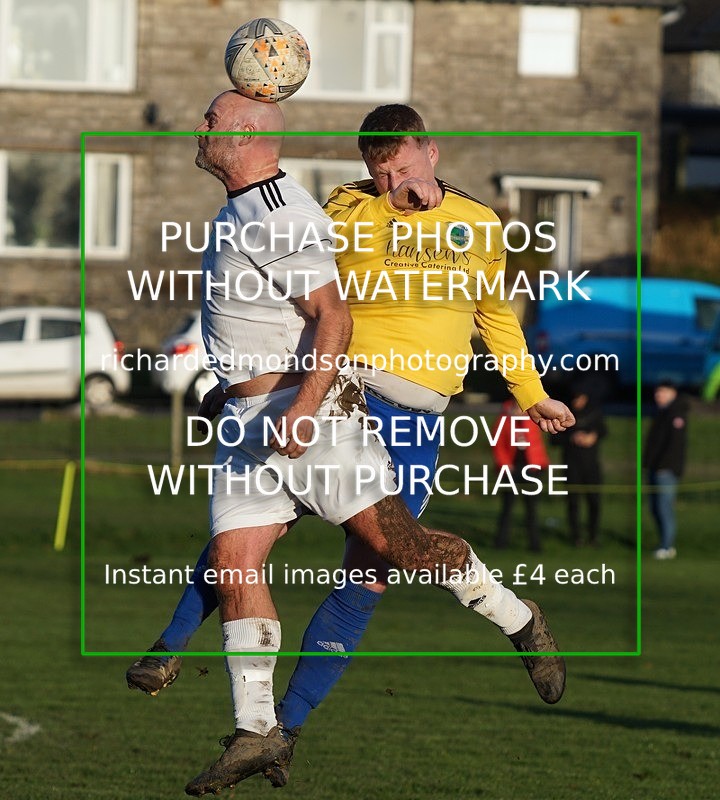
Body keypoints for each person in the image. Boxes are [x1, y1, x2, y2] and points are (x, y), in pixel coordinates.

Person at [129, 97, 574, 795]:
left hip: (417, 420)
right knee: (242, 540)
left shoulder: (479, 226)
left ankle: (295, 722)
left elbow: (496, 319)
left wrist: (529, 393)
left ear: (433, 154)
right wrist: (248, 381)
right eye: (380, 171)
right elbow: (294, 296)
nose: (395, 182)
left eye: (402, 166)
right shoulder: (342, 211)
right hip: (342, 397)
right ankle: (179, 656)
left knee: (375, 571)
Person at [492, 399, 549, 552]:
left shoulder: (532, 418)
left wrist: (538, 465)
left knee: (532, 509)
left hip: (531, 468)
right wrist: (505, 465)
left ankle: (535, 545)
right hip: (511, 468)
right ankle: (501, 543)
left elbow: (537, 444)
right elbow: (497, 444)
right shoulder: (504, 419)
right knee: (507, 507)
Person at [556, 385, 607, 546]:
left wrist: (593, 436)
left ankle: (593, 536)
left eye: (581, 398)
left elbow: (604, 431)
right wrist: (572, 438)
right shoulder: (563, 415)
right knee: (573, 502)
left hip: (591, 466)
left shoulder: (595, 413)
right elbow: (554, 438)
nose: (578, 402)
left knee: (594, 501)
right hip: (571, 466)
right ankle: (576, 536)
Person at [643, 380, 688, 559]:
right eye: (657, 392)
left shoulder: (677, 414)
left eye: (662, 392)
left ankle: (667, 546)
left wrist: (664, 467)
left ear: (672, 393)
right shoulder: (662, 412)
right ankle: (664, 543)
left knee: (664, 508)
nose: (658, 396)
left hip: (666, 470)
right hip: (654, 468)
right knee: (655, 508)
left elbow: (675, 446)